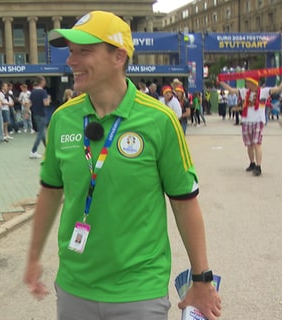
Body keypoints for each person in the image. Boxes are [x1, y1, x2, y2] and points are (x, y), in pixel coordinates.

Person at [24, 10, 221, 320]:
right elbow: (49, 193)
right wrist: (33, 258)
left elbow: (184, 203)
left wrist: (201, 279)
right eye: (71, 52)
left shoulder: (160, 120)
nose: (71, 61)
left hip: (139, 292)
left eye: (84, 51)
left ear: (118, 57)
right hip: (75, 288)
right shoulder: (63, 119)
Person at [220, 76, 282, 176]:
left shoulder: (264, 91)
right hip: (246, 121)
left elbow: (278, 89)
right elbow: (231, 90)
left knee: (257, 143)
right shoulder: (244, 92)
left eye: (248, 82)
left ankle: (258, 166)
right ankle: (252, 163)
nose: (247, 84)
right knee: (249, 144)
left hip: (258, 121)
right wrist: (222, 82)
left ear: (254, 83)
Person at [29, 76, 50, 159]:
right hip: (42, 113)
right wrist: (48, 99)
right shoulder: (43, 92)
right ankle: (33, 151)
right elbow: (46, 104)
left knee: (42, 132)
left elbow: (29, 103)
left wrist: (27, 112)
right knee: (41, 133)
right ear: (41, 82)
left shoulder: (32, 92)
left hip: (35, 113)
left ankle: (47, 148)